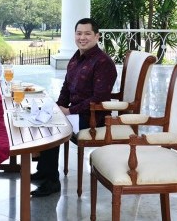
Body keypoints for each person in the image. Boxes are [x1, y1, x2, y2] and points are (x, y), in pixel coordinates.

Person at [30, 18, 117, 197]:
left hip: (94, 118)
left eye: (87, 33)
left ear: (97, 36)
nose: (82, 37)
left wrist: (69, 111)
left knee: (55, 125)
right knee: (44, 117)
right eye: (79, 33)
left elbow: (99, 98)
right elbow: (66, 87)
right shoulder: (76, 58)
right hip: (77, 113)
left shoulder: (103, 63)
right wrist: (59, 106)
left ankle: (52, 181)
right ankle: (44, 171)